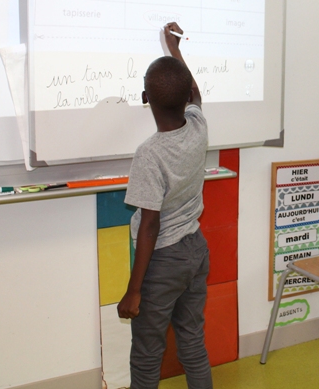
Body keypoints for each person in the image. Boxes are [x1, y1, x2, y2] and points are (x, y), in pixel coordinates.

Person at [117, 22, 213, 389]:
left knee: (146, 356)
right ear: (187, 97)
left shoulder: (149, 154)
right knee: (192, 343)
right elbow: (196, 93)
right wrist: (174, 49)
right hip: (195, 250)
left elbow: (150, 225)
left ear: (146, 98)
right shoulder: (198, 126)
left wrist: (134, 289)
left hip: (162, 261)